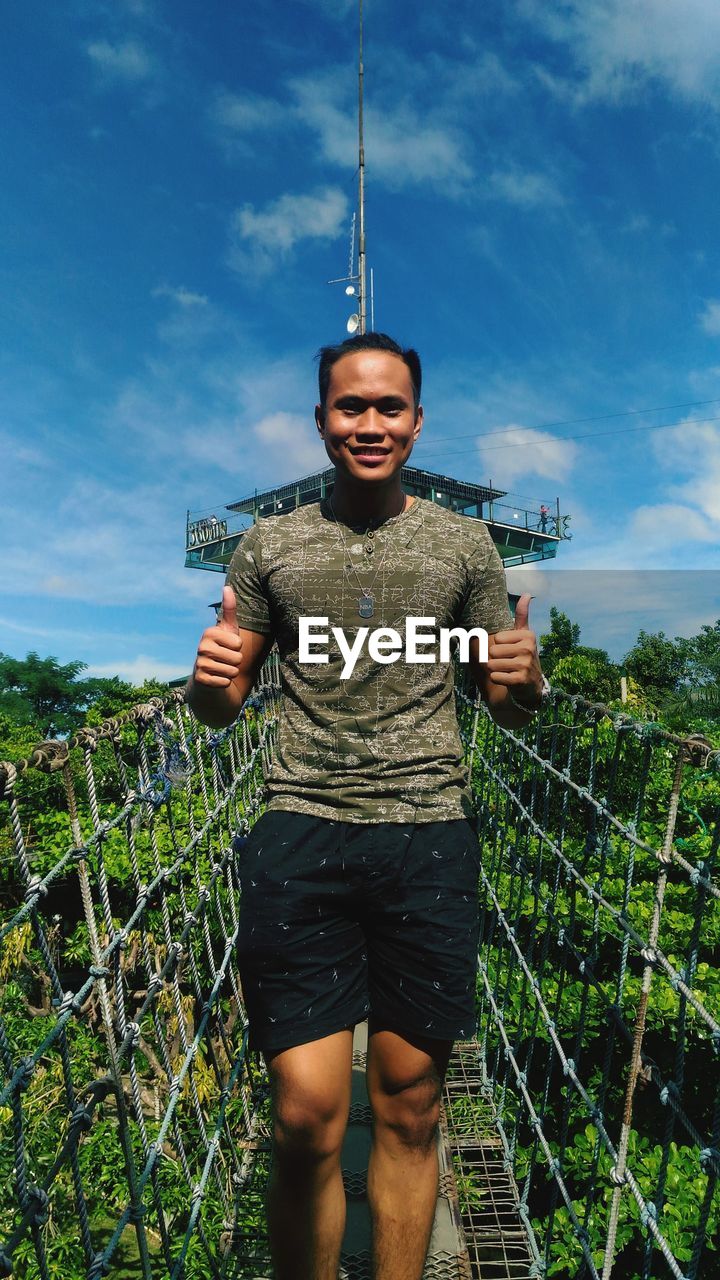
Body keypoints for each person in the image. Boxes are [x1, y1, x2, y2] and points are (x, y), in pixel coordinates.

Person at [187, 332, 544, 1280]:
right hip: (300, 825)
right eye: (352, 406)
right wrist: (210, 679)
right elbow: (222, 711)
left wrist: (525, 677)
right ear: (322, 422)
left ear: (418, 424)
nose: (371, 423)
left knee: (412, 1101)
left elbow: (499, 700)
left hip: (429, 831)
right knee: (306, 1113)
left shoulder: (465, 543)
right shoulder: (272, 543)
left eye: (390, 406)